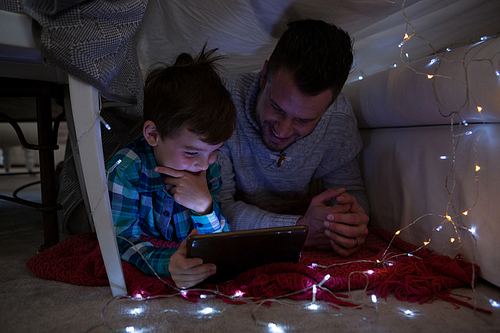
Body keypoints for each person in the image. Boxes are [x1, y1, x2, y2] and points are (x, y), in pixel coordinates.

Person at [217, 19, 369, 257]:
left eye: (304, 120)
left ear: (328, 107)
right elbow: (217, 209)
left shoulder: (338, 118)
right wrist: (299, 229)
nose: (284, 131)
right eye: (276, 108)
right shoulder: (222, 103)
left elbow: (352, 193)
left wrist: (346, 223)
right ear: (264, 74)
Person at [106, 46, 236, 288]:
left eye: (214, 151)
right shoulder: (126, 171)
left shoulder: (210, 172)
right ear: (153, 134)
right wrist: (166, 263)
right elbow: (122, 241)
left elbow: (220, 243)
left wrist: (204, 206)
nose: (204, 164)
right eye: (191, 152)